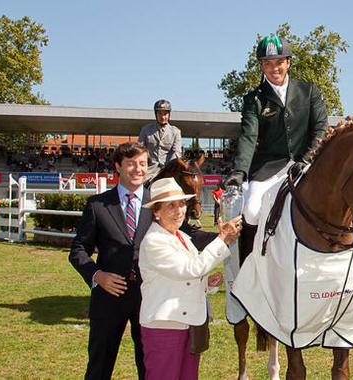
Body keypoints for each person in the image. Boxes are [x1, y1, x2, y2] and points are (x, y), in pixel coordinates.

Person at [138, 177, 241, 380]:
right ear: (156, 212)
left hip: (186, 323)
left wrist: (207, 283)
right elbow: (190, 269)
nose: (179, 211)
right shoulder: (154, 241)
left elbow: (187, 275)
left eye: (181, 204)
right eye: (171, 206)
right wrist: (221, 240)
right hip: (165, 326)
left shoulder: (181, 237)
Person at [224, 34, 328, 228]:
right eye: (268, 63)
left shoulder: (309, 91)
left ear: (288, 62)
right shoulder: (253, 99)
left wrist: (307, 159)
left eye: (279, 62)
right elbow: (249, 136)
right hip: (269, 167)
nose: (274, 68)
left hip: (306, 163)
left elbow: (320, 127)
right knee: (252, 212)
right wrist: (239, 171)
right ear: (262, 67)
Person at [69, 142, 152, 380]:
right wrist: (97, 276)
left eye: (143, 163)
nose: (138, 169)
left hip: (147, 297)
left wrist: (222, 235)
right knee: (99, 367)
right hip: (108, 297)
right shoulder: (97, 205)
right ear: (118, 166)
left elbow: (185, 233)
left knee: (149, 367)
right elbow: (78, 250)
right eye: (131, 163)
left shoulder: (157, 204)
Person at [139, 99, 182, 180]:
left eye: (165, 114)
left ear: (169, 114)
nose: (163, 117)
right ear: (156, 114)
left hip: (168, 169)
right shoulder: (146, 130)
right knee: (139, 186)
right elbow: (140, 150)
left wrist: (169, 166)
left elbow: (176, 152)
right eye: (160, 114)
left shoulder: (176, 131)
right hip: (149, 169)